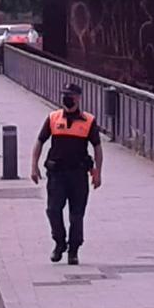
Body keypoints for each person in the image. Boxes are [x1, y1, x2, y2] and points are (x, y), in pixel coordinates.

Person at [30, 83, 104, 266]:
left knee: (76, 215)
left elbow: (97, 148)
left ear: (78, 98)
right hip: (57, 174)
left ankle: (73, 250)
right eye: (64, 94)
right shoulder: (53, 118)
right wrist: (34, 166)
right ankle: (60, 243)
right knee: (53, 210)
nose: (66, 98)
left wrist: (98, 173)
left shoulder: (88, 121)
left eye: (70, 95)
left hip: (78, 174)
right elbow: (39, 141)